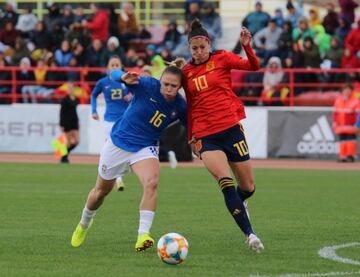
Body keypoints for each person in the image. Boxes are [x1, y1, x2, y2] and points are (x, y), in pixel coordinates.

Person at [70, 60, 187, 251]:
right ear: (161, 80)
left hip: (145, 147)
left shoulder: (180, 106)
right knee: (100, 193)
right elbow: (114, 74)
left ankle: (143, 235)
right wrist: (123, 76)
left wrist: (198, 140)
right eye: (165, 83)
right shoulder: (148, 85)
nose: (168, 88)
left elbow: (190, 127)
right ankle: (84, 223)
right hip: (118, 144)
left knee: (151, 183)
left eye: (174, 86)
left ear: (180, 86)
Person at [182, 19, 264, 252]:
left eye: (202, 47)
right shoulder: (186, 72)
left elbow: (254, 66)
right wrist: (192, 137)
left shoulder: (223, 58)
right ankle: (250, 234)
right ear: (189, 48)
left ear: (209, 44)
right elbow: (190, 106)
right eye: (194, 48)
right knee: (225, 181)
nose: (198, 52)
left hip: (230, 129)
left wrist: (247, 46)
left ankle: (242, 201)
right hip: (206, 135)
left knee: (248, 187)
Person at [91, 56, 131, 191]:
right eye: (112, 65)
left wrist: (131, 98)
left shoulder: (127, 81)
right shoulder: (103, 82)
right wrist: (94, 110)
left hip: (125, 120)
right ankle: (117, 178)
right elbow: (93, 95)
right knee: (110, 146)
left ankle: (115, 175)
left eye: (117, 65)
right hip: (109, 120)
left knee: (122, 148)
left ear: (121, 67)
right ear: (108, 67)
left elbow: (137, 95)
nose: (114, 67)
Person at [333, 83, 359, 162]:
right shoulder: (338, 100)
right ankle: (343, 156)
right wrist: (334, 122)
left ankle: (350, 156)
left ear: (351, 91)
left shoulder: (355, 101)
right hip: (341, 125)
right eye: (345, 89)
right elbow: (335, 113)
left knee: (350, 141)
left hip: (351, 126)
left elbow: (358, 114)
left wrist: (358, 125)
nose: (347, 91)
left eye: (348, 89)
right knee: (342, 141)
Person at [59, 83, 80, 163]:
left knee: (77, 141)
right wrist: (62, 124)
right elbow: (62, 112)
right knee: (69, 142)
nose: (71, 90)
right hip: (66, 121)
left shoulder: (76, 99)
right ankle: (64, 157)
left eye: (72, 88)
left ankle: (64, 155)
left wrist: (78, 120)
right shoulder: (64, 99)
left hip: (74, 121)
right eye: (69, 88)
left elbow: (75, 111)